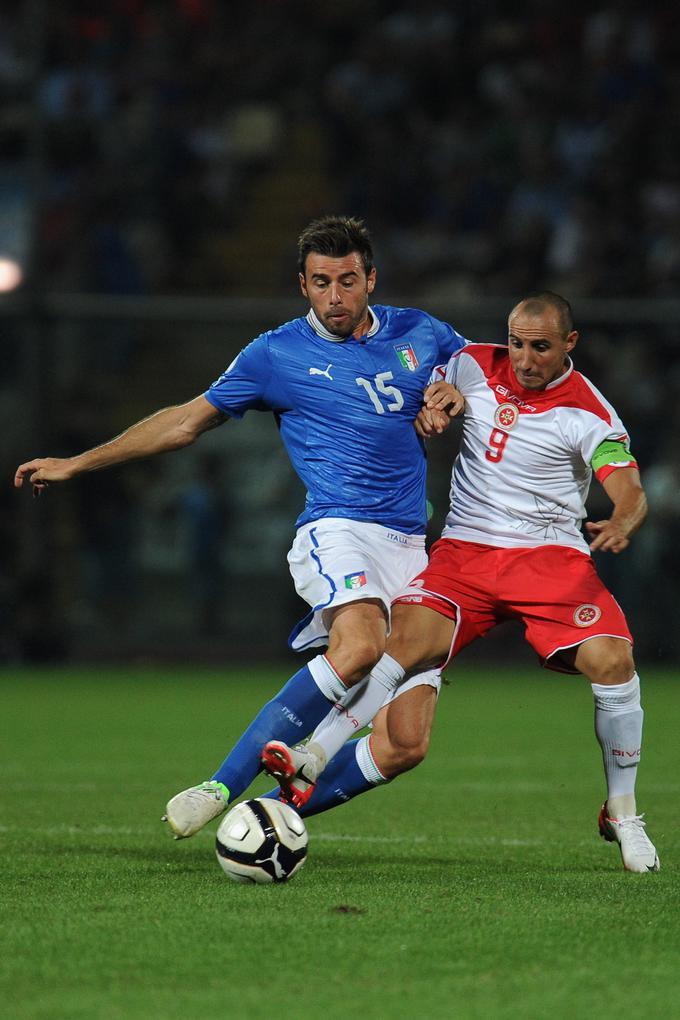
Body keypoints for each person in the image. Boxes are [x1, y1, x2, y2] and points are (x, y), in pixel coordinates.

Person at [14, 214, 467, 838]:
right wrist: (80, 462)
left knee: (406, 744)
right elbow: (183, 422)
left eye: (347, 280)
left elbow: (485, 377)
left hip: (415, 548)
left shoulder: (423, 331)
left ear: (371, 279)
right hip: (338, 528)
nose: (334, 296)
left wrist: (454, 395)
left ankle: (276, 817)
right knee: (360, 647)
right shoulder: (275, 353)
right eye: (320, 282)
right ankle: (219, 785)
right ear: (301, 285)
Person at [265, 291, 660, 874]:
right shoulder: (473, 361)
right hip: (465, 554)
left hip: (548, 559)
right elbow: (428, 389)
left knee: (612, 662)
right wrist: (436, 402)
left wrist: (625, 515)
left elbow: (625, 483)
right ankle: (314, 755)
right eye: (518, 342)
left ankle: (622, 811)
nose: (525, 359)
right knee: (403, 645)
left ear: (569, 344)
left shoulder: (589, 413)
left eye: (541, 348)